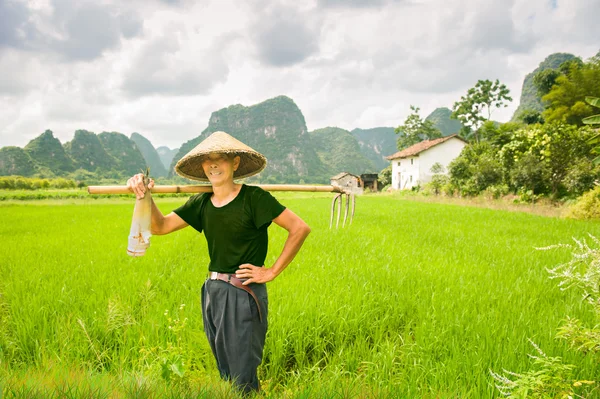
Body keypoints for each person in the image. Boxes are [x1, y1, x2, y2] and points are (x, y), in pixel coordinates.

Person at [127, 131, 311, 394]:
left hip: (243, 292)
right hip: (213, 292)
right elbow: (160, 226)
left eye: (220, 158)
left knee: (243, 377)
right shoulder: (202, 202)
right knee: (226, 371)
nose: (213, 164)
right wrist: (144, 195)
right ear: (202, 166)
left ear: (235, 163)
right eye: (207, 159)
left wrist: (271, 271)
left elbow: (299, 228)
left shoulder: (254, 199)